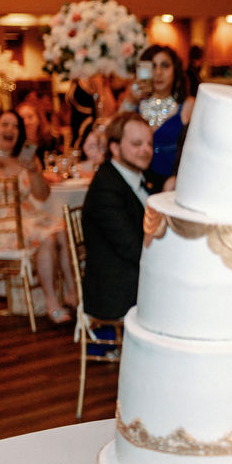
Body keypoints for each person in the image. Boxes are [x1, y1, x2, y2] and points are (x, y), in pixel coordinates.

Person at [0, 110, 76, 324]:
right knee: (48, 234)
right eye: (5, 125)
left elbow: (42, 194)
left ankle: (66, 294)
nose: (10, 130)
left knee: (58, 231)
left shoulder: (25, 160)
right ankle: (58, 299)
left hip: (26, 219)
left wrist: (34, 171)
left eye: (15, 126)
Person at [81, 112, 158, 320]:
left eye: (149, 144)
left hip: (134, 276)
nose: (146, 150)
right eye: (136, 144)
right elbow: (132, 246)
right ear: (114, 148)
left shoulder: (142, 175)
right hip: (117, 290)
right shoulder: (106, 187)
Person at [120, 45, 195, 180]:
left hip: (172, 185)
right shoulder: (136, 103)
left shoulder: (187, 105)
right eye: (153, 67)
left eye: (165, 66)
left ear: (175, 70)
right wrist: (130, 100)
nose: (158, 73)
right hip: (136, 184)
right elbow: (114, 133)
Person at [66, 74, 116, 151]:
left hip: (87, 123)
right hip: (76, 122)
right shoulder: (76, 79)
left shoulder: (94, 79)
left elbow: (102, 104)